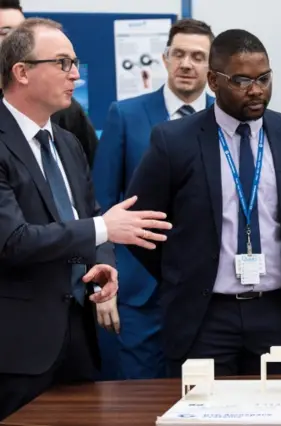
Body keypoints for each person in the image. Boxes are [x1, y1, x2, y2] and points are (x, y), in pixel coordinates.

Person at [124, 29, 281, 377]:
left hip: (277, 312)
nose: (256, 90)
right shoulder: (174, 140)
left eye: (264, 78)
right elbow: (141, 225)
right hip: (204, 314)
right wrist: (182, 273)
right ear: (213, 82)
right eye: (242, 80)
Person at [0, 18, 170, 420]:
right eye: (62, 63)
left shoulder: (67, 141)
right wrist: (103, 230)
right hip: (18, 347)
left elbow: (89, 216)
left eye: (74, 62)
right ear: (21, 72)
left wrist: (103, 262)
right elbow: (13, 241)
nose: (75, 74)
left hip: (78, 338)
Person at [92, 18, 215, 381]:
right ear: (164, 59)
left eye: (198, 56)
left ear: (212, 66)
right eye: (178, 54)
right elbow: (101, 205)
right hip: (138, 288)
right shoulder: (126, 115)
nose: (187, 63)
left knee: (198, 395)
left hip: (202, 288)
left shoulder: (224, 120)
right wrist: (103, 282)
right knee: (137, 396)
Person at [0, 0, 100, 167]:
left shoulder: (63, 111)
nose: (17, 41)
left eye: (22, 32)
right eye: (6, 32)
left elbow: (93, 168)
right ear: (21, 72)